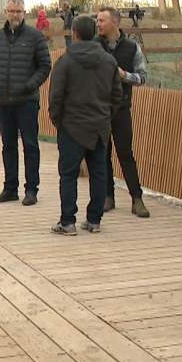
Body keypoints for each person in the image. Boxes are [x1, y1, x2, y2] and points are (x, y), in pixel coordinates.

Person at [48, 15, 124, 235]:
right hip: (99, 127)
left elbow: (55, 97)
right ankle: (94, 220)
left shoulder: (65, 61)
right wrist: (105, 116)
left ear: (74, 34)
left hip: (72, 127)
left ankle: (68, 221)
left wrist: (59, 122)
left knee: (68, 174)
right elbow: (116, 95)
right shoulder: (109, 61)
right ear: (93, 32)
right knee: (99, 173)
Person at [0, 0, 52, 206]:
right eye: (11, 11)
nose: (14, 15)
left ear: (25, 13)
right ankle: (10, 188)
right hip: (3, 100)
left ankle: (31, 189)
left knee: (30, 145)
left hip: (26, 101)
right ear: (6, 12)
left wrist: (30, 85)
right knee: (8, 145)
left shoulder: (35, 37)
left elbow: (45, 65)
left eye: (18, 11)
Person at [95, 6, 150, 218]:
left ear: (115, 23)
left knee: (125, 154)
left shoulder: (131, 47)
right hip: (98, 109)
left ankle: (137, 199)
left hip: (121, 108)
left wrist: (124, 75)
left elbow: (143, 77)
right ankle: (108, 196)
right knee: (102, 154)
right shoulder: (94, 46)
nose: (98, 24)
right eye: (97, 20)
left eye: (102, 20)